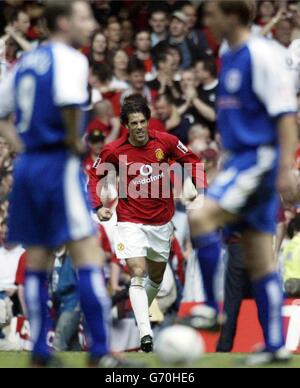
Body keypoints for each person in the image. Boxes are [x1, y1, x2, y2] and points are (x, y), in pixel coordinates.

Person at [0, 0, 134, 368]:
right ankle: (101, 352)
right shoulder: (71, 59)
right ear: (63, 22)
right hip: (58, 164)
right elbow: (70, 105)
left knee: (39, 256)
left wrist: (24, 148)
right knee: (88, 253)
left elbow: (1, 113)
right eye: (84, 17)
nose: (91, 24)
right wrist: (74, 143)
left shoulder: (27, 61)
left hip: (28, 166)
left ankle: (41, 354)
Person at [185, 0, 298, 366]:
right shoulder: (226, 52)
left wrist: (285, 168)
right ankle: (275, 346)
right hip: (239, 160)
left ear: (231, 16)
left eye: (212, 13)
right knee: (259, 258)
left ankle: (209, 308)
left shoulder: (262, 56)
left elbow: (285, 116)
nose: (206, 21)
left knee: (200, 216)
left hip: (258, 160)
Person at [88, 96, 206, 352]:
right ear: (126, 125)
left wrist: (198, 186)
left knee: (155, 277)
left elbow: (193, 162)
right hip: (130, 221)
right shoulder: (113, 150)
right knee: (137, 272)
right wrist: (99, 207)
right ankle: (146, 333)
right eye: (134, 123)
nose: (140, 126)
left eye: (143, 121)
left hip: (162, 223)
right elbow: (94, 176)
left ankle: (139, 308)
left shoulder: (167, 141)